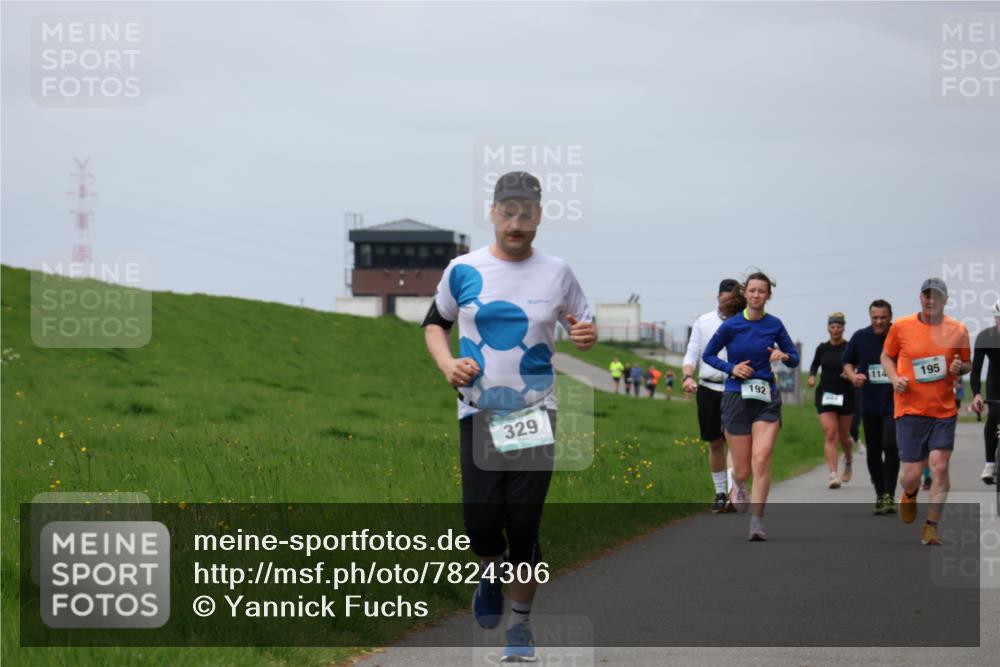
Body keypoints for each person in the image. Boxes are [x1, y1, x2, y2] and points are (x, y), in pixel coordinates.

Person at [422, 171, 597, 660]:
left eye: (526, 213)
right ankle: (490, 573)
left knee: (523, 523)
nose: (516, 222)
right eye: (508, 212)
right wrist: (446, 363)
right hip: (478, 411)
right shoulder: (463, 269)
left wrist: (587, 335)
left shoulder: (557, 272)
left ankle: (520, 628)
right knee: (480, 523)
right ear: (494, 213)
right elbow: (435, 324)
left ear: (538, 216)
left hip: (536, 412)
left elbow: (583, 320)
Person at [703, 271, 800, 541]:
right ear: (745, 293)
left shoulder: (775, 325)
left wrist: (784, 355)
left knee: (762, 458)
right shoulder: (732, 325)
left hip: (766, 396)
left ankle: (757, 522)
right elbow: (709, 354)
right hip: (736, 397)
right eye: (753, 290)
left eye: (762, 291)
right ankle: (739, 483)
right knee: (744, 469)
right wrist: (732, 368)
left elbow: (793, 358)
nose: (757, 295)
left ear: (769, 295)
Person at [881, 278, 971, 546]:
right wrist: (895, 378)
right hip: (909, 409)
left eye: (937, 297)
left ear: (945, 300)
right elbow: (886, 357)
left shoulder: (957, 330)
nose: (931, 301)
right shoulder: (902, 327)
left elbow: (967, 363)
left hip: (943, 411)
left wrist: (960, 368)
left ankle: (931, 526)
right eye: (926, 296)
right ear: (920, 298)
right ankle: (909, 493)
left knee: (940, 467)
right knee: (911, 475)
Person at [683, 278, 740, 512]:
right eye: (725, 300)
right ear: (718, 297)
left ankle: (733, 492)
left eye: (732, 302)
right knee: (715, 442)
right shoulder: (703, 322)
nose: (727, 305)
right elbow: (691, 353)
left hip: (735, 387)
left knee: (734, 440)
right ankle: (719, 492)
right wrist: (687, 376)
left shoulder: (744, 322)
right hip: (708, 387)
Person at [843, 299, 899, 514]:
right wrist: (852, 375)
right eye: (875, 318)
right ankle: (879, 492)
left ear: (890, 317)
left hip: (895, 402)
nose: (879, 322)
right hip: (869, 403)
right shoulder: (860, 337)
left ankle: (890, 493)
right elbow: (847, 361)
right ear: (870, 317)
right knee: (874, 450)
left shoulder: (899, 335)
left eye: (883, 318)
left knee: (891, 445)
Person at [808, 312, 857, 489]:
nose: (835, 330)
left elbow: (858, 364)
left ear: (843, 328)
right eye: (832, 326)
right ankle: (833, 474)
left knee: (844, 437)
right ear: (828, 328)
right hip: (826, 394)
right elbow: (814, 364)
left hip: (845, 394)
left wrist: (851, 373)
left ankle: (849, 460)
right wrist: (812, 376)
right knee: (830, 434)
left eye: (838, 326)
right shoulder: (822, 348)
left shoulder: (850, 347)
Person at [971, 299, 1000, 485]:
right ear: (996, 318)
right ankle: (989, 463)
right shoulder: (985, 337)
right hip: (996, 384)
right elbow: (976, 371)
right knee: (994, 417)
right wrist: (977, 395)